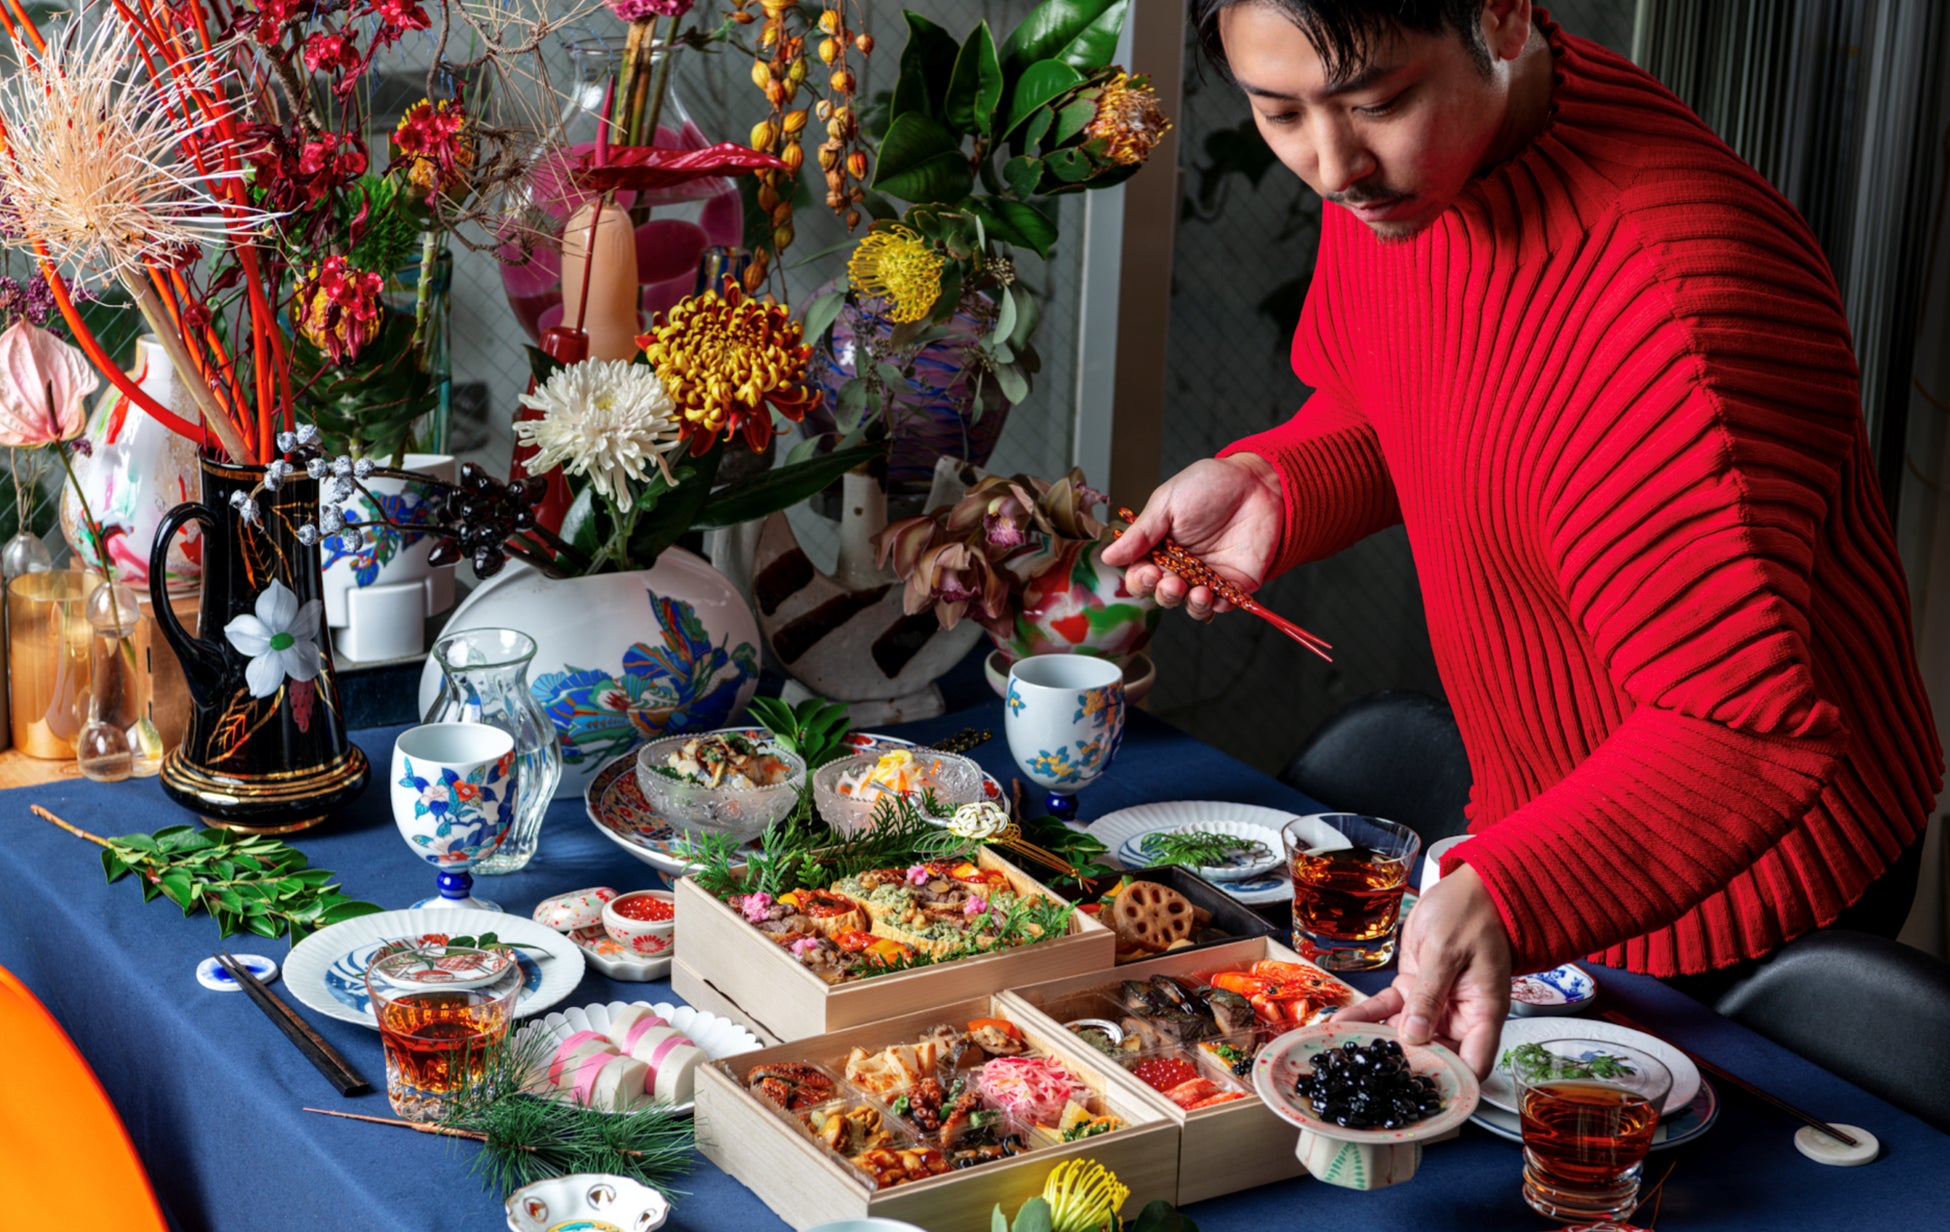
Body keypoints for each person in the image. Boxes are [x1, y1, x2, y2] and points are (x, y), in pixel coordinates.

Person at [1103, 0, 1942, 1076]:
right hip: (1540, 824)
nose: (1330, 164)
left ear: (1499, 15)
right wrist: (1280, 478)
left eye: (1378, 103)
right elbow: (1397, 393)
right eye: (1279, 113)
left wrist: (1517, 882)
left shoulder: (1683, 298)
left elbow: (1746, 729)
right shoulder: (1403, 168)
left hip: (1752, 868)